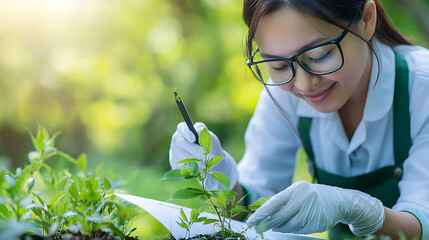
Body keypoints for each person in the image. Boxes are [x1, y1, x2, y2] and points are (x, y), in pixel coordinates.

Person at [169, 0, 429, 239]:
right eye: (278, 65)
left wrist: (358, 210)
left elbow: (422, 223)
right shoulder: (283, 94)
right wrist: (218, 179)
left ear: (367, 20)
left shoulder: (421, 88)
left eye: (320, 55)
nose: (304, 84)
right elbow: (245, 212)